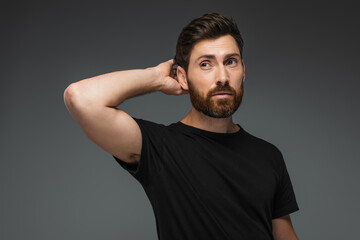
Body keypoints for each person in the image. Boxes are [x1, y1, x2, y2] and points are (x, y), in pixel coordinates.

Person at [64, 12, 300, 240]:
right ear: (183, 77)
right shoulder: (160, 148)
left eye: (231, 62)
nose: (222, 77)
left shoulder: (269, 156)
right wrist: (155, 77)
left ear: (244, 70)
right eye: (206, 64)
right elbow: (80, 97)